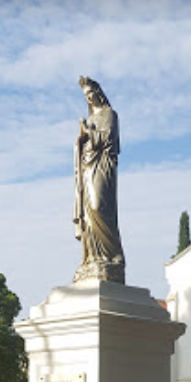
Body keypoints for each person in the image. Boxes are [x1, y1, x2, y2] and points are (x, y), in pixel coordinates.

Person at [73, 76, 125, 283]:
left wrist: (88, 132)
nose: (89, 97)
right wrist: (80, 139)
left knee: (98, 207)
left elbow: (108, 141)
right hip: (86, 167)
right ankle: (93, 258)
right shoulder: (90, 118)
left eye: (91, 92)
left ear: (99, 92)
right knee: (87, 215)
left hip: (102, 165)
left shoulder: (110, 115)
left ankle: (111, 256)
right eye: (86, 95)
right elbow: (83, 145)